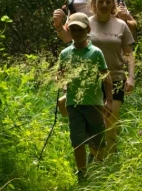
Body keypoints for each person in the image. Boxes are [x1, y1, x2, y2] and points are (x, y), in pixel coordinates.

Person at [55, 12, 113, 182]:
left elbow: (106, 77)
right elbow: (60, 76)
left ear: (88, 30)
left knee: (98, 138)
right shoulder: (65, 54)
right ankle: (82, 173)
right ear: (69, 30)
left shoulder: (96, 53)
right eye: (73, 30)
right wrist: (63, 83)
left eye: (80, 30)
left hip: (94, 103)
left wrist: (108, 100)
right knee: (77, 140)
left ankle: (98, 168)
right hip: (73, 103)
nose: (77, 33)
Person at [86, 0, 136, 157]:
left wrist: (131, 77)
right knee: (94, 123)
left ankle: (112, 158)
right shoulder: (86, 24)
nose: (105, 5)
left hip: (115, 78)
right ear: (94, 3)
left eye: (109, 2)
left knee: (111, 121)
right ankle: (95, 160)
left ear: (113, 4)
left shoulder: (121, 25)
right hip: (91, 80)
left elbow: (128, 54)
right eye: (101, 1)